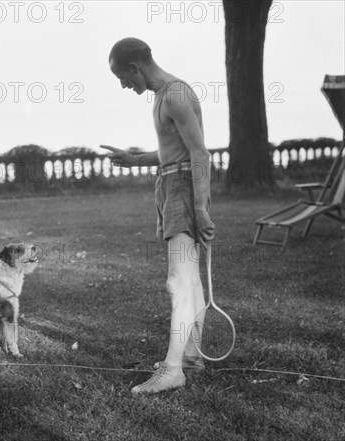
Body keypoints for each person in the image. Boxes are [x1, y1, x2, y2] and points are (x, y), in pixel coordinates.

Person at [100, 37, 215, 394]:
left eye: (123, 77)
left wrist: (199, 207)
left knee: (178, 282)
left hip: (182, 190)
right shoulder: (164, 95)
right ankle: (191, 355)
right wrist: (135, 160)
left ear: (135, 67)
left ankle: (172, 370)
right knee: (190, 281)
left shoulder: (175, 94)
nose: (124, 85)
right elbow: (173, 149)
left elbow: (199, 153)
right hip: (172, 186)